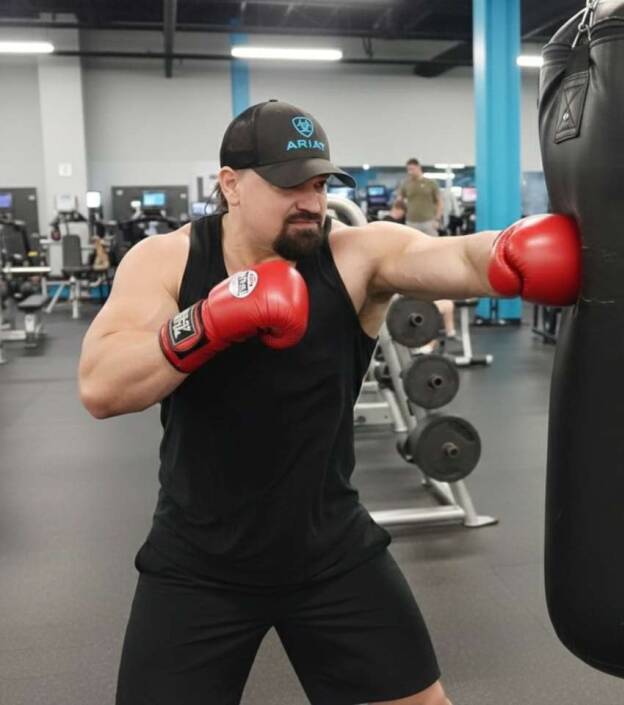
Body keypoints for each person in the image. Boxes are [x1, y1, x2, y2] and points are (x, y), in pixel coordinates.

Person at [78, 100, 579, 705]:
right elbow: (101, 387)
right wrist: (208, 321)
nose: (311, 202)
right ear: (231, 185)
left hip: (331, 552)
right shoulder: (167, 260)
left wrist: (517, 252)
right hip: (197, 561)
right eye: (289, 185)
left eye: (318, 184)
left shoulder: (356, 256)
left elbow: (461, 257)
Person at [395, 159, 443, 237]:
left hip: (429, 222)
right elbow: (399, 200)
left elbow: (439, 202)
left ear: (419, 167)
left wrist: (437, 219)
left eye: (412, 169)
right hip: (411, 222)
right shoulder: (406, 184)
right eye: (408, 170)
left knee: (432, 243)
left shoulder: (431, 183)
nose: (410, 172)